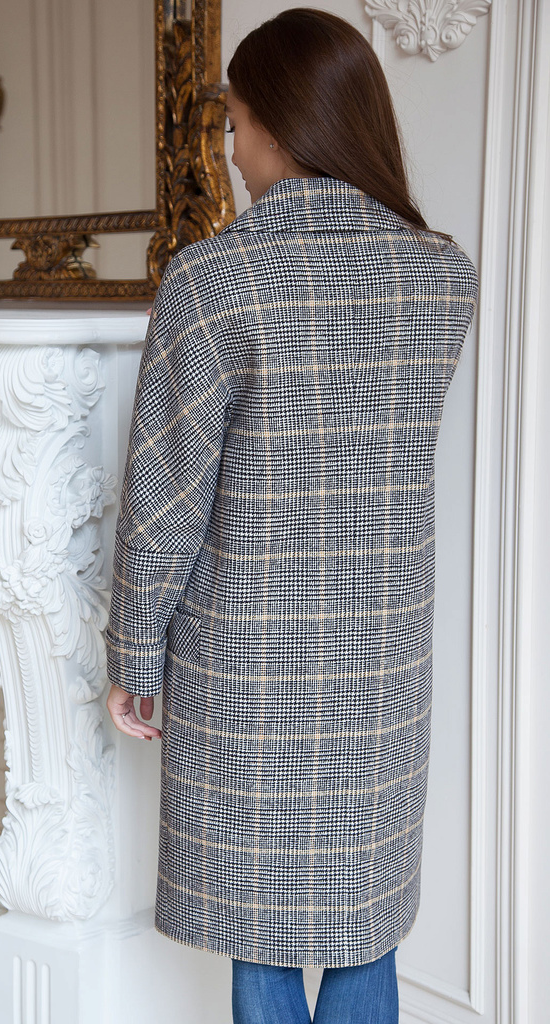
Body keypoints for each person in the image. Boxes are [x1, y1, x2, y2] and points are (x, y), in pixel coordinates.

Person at [105, 8, 478, 1023]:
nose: (231, 153)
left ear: (278, 123)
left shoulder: (214, 281)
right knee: (364, 924)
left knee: (258, 928)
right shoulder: (441, 276)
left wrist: (133, 652)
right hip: (379, 665)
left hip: (248, 664)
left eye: (234, 126)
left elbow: (166, 495)